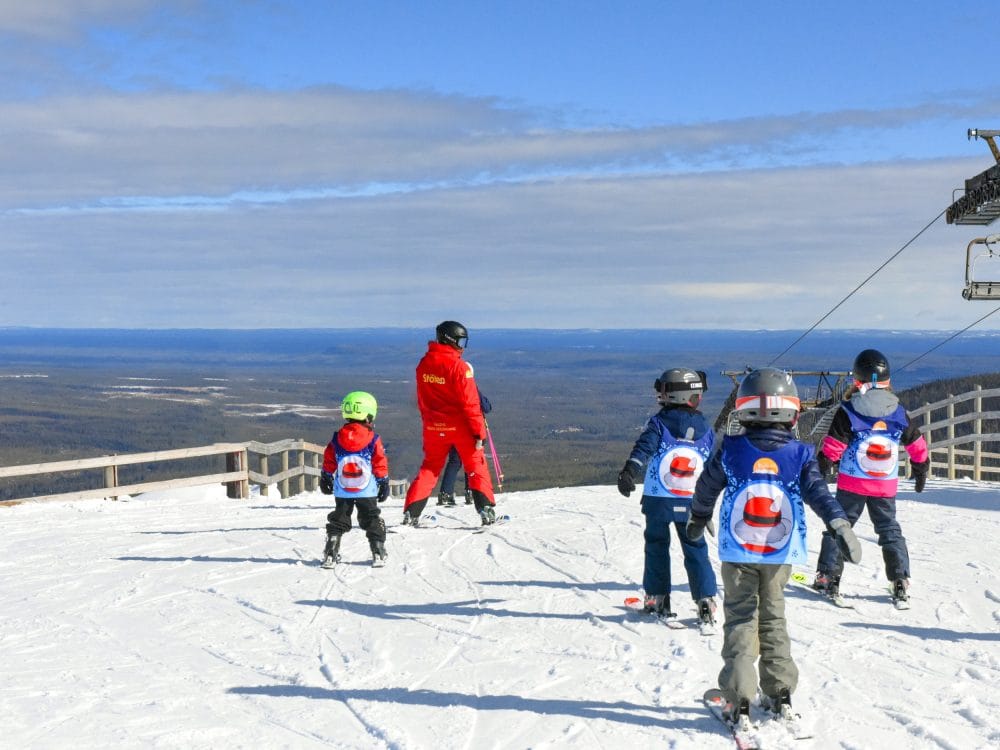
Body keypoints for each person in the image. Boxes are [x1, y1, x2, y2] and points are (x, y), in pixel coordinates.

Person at [686, 368, 861, 729]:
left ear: (744, 410)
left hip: (738, 552)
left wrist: (699, 516)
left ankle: (738, 696)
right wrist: (839, 523)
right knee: (773, 618)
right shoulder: (800, 454)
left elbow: (706, 486)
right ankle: (780, 692)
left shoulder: (731, 449)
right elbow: (819, 493)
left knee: (741, 619)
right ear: (792, 411)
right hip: (780, 554)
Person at [813, 349, 929, 606]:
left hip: (852, 483)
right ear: (888, 381)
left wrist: (819, 470)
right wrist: (921, 468)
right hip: (884, 485)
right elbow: (917, 444)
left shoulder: (849, 411)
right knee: (889, 529)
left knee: (839, 526)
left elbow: (833, 447)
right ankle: (900, 578)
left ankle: (828, 575)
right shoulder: (898, 412)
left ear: (856, 381)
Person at [617, 368, 718, 628]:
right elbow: (711, 467)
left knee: (656, 545)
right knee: (696, 548)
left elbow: (644, 448)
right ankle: (706, 599)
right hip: (692, 501)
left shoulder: (659, 423)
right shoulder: (706, 430)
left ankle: (657, 597)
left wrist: (629, 471)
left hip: (659, 499)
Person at [404, 321, 497, 526]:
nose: (462, 346)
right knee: (475, 465)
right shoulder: (459, 367)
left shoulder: (424, 364)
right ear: (450, 340)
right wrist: (479, 433)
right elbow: (470, 404)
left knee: (429, 468)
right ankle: (486, 510)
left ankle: (411, 512)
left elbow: (422, 399)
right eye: (460, 341)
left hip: (433, 426)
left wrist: (428, 420)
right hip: (460, 427)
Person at [319, 391, 390, 567]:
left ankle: (331, 551)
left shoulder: (337, 438)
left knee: (339, 518)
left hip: (343, 489)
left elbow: (329, 459)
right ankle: (378, 551)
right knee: (371, 518)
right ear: (368, 416)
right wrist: (383, 480)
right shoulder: (373, 439)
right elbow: (379, 461)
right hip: (367, 490)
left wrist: (326, 475)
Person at [437, 387, 492, 506]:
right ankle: (470, 492)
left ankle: (445, 493)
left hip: (452, 428)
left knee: (454, 462)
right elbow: (487, 407)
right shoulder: (471, 388)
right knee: (470, 461)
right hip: (470, 430)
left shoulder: (449, 388)